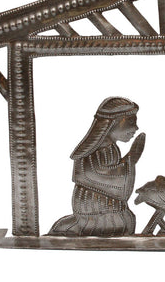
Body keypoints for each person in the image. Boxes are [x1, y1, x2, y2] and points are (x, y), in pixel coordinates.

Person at [48, 97, 145, 237]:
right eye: (131, 122)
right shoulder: (93, 152)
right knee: (121, 223)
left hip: (110, 212)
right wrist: (131, 159)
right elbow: (110, 183)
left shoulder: (111, 148)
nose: (135, 128)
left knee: (126, 221)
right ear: (112, 123)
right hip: (95, 215)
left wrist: (129, 160)